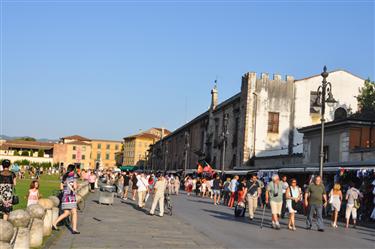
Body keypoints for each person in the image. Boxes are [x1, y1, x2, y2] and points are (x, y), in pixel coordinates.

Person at [52, 164, 80, 234]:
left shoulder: (64, 176)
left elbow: (61, 188)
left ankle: (54, 223)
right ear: (73, 169)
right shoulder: (73, 176)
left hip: (65, 196)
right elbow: (75, 187)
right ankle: (74, 229)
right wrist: (77, 186)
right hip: (71, 197)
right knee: (74, 212)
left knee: (66, 213)